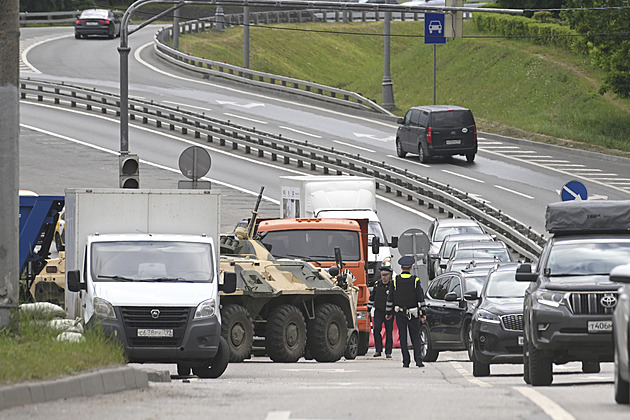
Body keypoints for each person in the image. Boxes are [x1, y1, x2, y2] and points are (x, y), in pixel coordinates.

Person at [386, 255, 427, 368]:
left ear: (401, 267)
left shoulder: (395, 281)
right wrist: (423, 314)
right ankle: (418, 360)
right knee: (415, 337)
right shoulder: (415, 280)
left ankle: (406, 361)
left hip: (400, 314)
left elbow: (390, 299)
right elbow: (420, 299)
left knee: (403, 338)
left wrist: (388, 313)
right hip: (413, 314)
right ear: (411, 267)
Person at [368, 261, 394, 358]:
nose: (383, 277)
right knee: (377, 329)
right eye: (382, 274)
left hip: (389, 312)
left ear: (389, 275)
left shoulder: (392, 285)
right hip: (378, 311)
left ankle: (388, 352)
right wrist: (368, 308)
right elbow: (372, 297)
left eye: (386, 275)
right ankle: (378, 350)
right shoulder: (377, 284)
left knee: (389, 331)